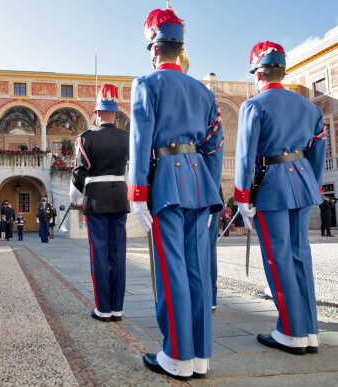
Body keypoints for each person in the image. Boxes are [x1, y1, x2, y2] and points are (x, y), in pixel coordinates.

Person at [128, 6, 224, 379]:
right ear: (180, 49)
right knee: (197, 269)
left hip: (167, 178)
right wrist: (210, 187)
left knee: (172, 270)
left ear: (154, 49)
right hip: (199, 180)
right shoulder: (203, 92)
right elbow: (214, 145)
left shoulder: (147, 84)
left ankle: (177, 356)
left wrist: (137, 191)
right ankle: (200, 355)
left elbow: (141, 140)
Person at [235, 41, 326, 356]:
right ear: (282, 71)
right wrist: (311, 184)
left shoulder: (254, 105)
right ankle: (309, 330)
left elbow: (246, 155)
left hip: (272, 185)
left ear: (257, 72)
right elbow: (318, 150)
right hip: (302, 182)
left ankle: (290, 331)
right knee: (301, 256)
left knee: (278, 258)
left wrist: (243, 197)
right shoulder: (309, 107)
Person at [70, 83, 130, 324]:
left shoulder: (86, 138)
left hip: (95, 198)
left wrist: (74, 197)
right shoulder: (128, 138)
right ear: (116, 114)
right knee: (118, 254)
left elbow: (79, 172)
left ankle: (103, 309)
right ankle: (117, 308)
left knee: (100, 254)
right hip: (119, 196)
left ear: (96, 112)